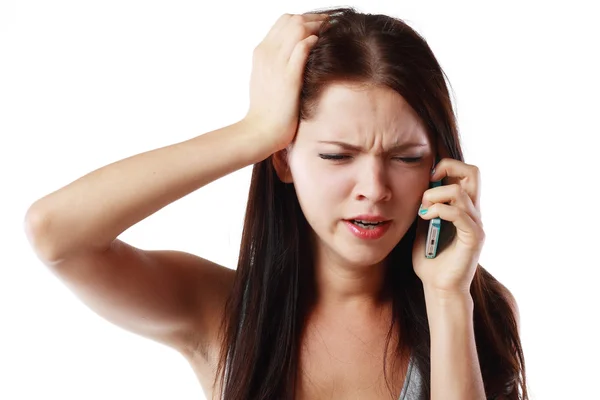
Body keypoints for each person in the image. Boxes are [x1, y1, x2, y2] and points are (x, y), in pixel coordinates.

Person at [24, 7, 528, 400]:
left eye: (405, 157)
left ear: (439, 167)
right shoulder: (221, 311)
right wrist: (254, 133)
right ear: (282, 161)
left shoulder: (474, 308)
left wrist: (446, 299)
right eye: (337, 155)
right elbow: (56, 234)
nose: (374, 188)